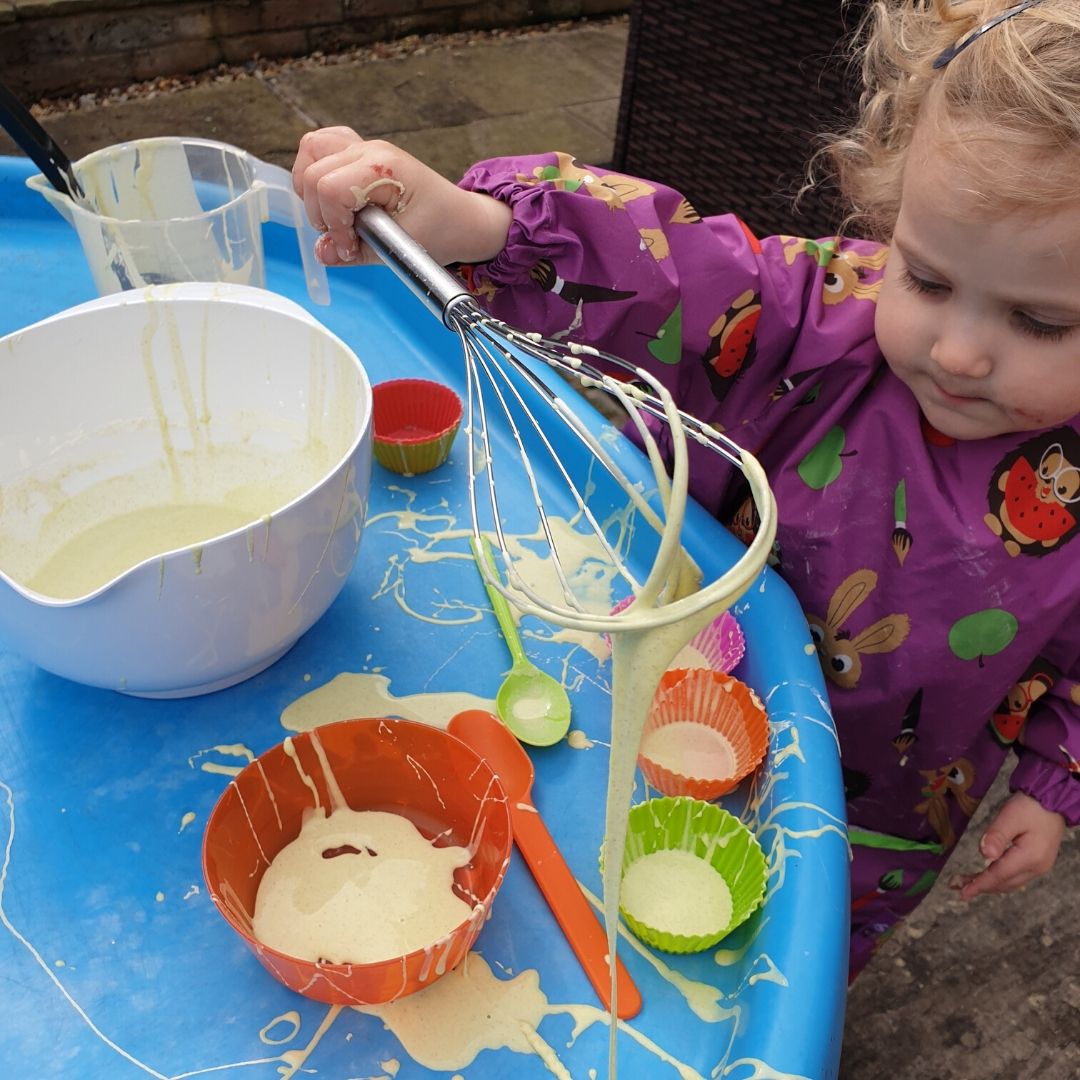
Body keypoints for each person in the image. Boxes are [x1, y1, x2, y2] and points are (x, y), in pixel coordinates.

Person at [292, 0, 1080, 979]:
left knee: (807, 951)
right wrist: (483, 226)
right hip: (684, 699)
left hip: (883, 815)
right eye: (925, 277)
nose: (958, 351)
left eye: (1042, 323)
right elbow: (675, 273)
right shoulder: (820, 322)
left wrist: (1052, 780)